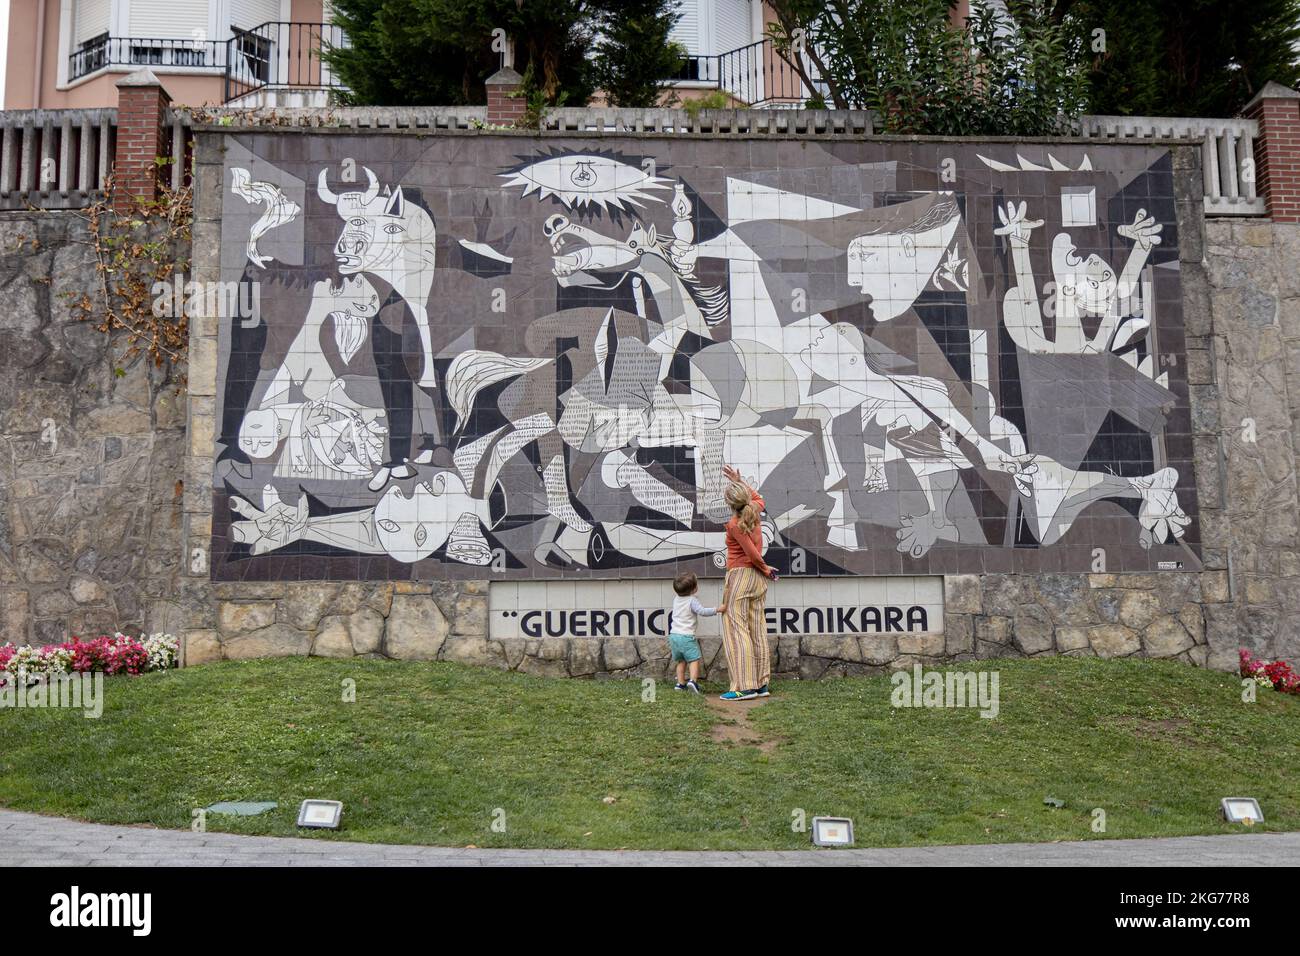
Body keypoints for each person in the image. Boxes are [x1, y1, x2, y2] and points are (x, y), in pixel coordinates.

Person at [718, 465, 777, 701]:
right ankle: (761, 684)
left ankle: (744, 686)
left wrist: (765, 568)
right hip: (756, 579)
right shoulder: (753, 509)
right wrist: (740, 482)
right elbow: (758, 497)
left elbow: (751, 553)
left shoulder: (735, 523)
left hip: (742, 575)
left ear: (730, 503)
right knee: (756, 628)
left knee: (736, 629)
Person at [667, 571, 720, 694]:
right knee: (693, 660)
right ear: (695, 588)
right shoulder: (692, 600)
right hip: (686, 636)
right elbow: (702, 611)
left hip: (674, 636)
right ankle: (693, 681)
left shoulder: (676, 599)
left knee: (681, 661)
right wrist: (717, 609)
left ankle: (680, 684)